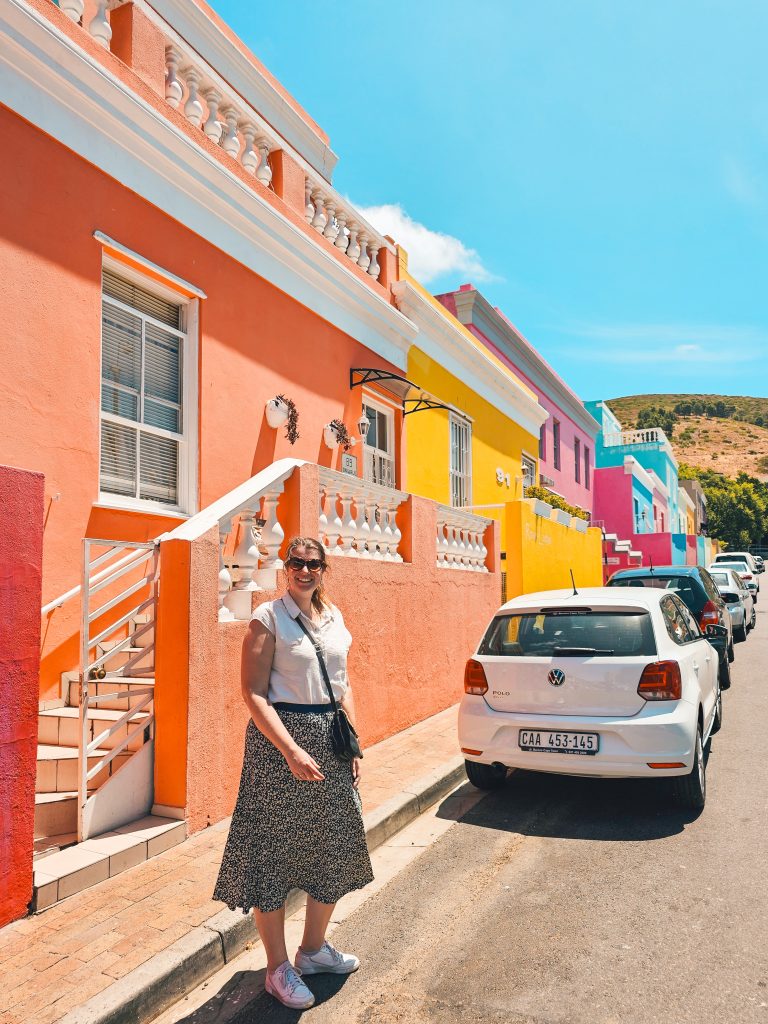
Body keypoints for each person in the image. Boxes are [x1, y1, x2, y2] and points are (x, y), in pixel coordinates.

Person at [213, 536, 373, 1010]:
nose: (304, 570)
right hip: (279, 745)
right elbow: (253, 693)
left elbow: (343, 685)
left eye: (313, 564)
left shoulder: (335, 616)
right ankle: (277, 967)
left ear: (325, 569)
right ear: (285, 568)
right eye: (296, 563)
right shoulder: (268, 617)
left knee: (336, 843)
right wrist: (290, 750)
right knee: (272, 852)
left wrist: (354, 742)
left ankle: (313, 951)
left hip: (332, 740)